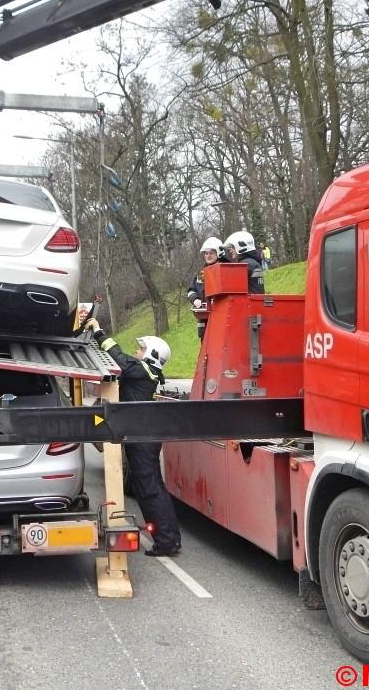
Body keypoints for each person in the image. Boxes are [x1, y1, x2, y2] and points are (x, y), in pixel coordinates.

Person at [84, 319, 181, 557]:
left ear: (151, 355)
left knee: (149, 489)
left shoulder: (141, 370)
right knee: (152, 487)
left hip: (143, 437)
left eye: (141, 349)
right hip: (146, 435)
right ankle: (169, 538)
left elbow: (117, 356)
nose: (137, 352)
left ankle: (166, 542)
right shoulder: (149, 373)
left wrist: (97, 331)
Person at [187, 236, 223, 340]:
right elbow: (191, 290)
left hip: (219, 319)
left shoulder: (223, 271)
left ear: (218, 253)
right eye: (206, 253)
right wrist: (195, 299)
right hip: (203, 321)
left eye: (211, 253)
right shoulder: (201, 273)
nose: (208, 256)